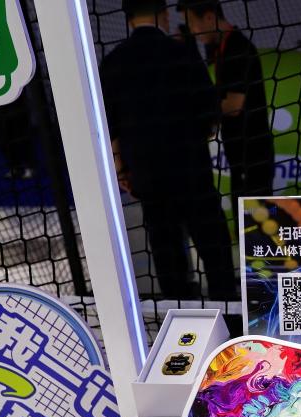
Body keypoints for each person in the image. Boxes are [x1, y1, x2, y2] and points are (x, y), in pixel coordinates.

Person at [101, 0, 237, 299]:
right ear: (163, 15)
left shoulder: (113, 61)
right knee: (212, 242)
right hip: (190, 167)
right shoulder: (182, 53)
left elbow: (110, 126)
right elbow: (209, 112)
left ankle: (180, 310)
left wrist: (121, 168)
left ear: (129, 19)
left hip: (146, 172)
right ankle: (227, 309)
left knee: (166, 246)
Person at [178, 0, 275, 216]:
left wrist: (198, 112)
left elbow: (233, 105)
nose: (192, 30)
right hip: (240, 153)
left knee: (258, 221)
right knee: (246, 218)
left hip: (253, 152)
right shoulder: (219, 48)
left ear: (209, 17)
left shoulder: (237, 47)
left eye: (192, 23)